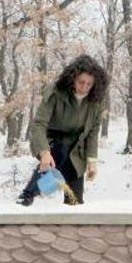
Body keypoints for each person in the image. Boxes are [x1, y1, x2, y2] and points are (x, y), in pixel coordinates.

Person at [16, 54, 109, 206]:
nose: (84, 87)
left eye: (89, 84)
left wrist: (92, 161)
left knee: (75, 201)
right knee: (58, 156)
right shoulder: (56, 92)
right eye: (81, 82)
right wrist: (44, 152)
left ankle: (70, 216)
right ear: (73, 78)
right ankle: (26, 196)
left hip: (76, 150)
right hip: (52, 143)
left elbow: (93, 131)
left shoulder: (96, 101)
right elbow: (39, 124)